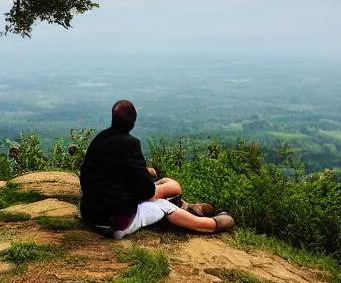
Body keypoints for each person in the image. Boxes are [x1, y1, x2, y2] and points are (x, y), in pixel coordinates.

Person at [79, 100, 234, 239]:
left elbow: (110, 175)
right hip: (115, 222)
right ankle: (211, 224)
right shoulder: (131, 144)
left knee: (154, 190)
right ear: (133, 122)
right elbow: (147, 192)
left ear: (113, 118)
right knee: (163, 206)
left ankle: (186, 206)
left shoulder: (99, 139)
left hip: (90, 212)